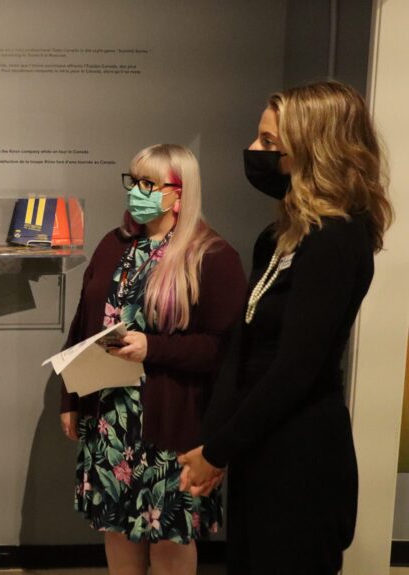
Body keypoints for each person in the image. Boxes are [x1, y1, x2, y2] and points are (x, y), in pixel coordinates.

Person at [179, 81, 393, 574]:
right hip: (261, 444)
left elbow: (295, 369)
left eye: (269, 143)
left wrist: (220, 449)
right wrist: (216, 441)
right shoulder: (278, 236)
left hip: (302, 457)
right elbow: (245, 346)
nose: (254, 152)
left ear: (314, 149)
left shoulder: (337, 240)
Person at [60, 144, 246, 575]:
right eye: (134, 181)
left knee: (169, 535)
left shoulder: (211, 255)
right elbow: (82, 324)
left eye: (149, 184)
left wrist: (153, 348)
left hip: (170, 424)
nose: (137, 192)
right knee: (118, 529)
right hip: (110, 419)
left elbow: (223, 348)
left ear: (179, 194)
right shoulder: (115, 244)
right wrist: (70, 398)